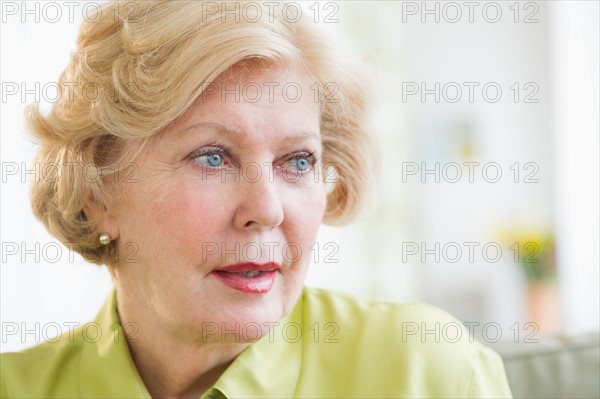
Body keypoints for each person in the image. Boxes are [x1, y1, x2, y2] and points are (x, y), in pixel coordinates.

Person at [0, 1, 513, 398]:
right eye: (212, 157)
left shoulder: (424, 370)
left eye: (298, 161)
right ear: (95, 190)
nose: (267, 210)